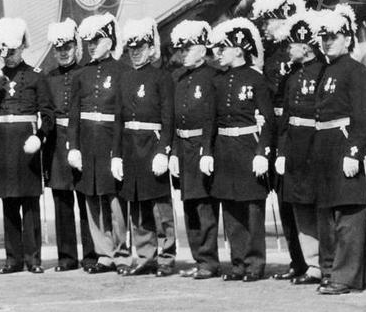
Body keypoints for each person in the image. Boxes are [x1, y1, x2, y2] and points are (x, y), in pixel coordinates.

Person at [0, 17, 54, 274]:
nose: (8, 57)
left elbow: (48, 114)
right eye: (4, 52)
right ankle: (13, 259)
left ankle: (33, 259)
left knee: (30, 204)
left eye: (12, 51)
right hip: (2, 145)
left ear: (22, 46)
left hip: (26, 144)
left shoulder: (36, 76)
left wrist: (40, 136)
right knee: (9, 203)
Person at [311, 5, 366, 295]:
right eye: (323, 37)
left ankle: (343, 277)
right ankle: (347, 273)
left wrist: (355, 152)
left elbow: (364, 116)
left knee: (349, 215)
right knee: (328, 215)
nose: (327, 42)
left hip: (344, 145)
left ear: (348, 39)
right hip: (325, 148)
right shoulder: (326, 71)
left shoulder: (357, 72)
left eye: (333, 37)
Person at [209, 17, 275, 282]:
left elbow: (268, 119)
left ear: (238, 49)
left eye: (223, 48)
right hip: (224, 149)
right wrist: (207, 152)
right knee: (231, 208)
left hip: (248, 147)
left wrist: (262, 152)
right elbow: (212, 120)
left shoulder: (256, 79)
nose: (218, 53)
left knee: (252, 209)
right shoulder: (219, 81)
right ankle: (238, 263)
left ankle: (255, 263)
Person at [251, 0, 308, 281]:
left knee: (299, 199)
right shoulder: (270, 53)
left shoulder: (302, 49)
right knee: (283, 199)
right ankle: (297, 261)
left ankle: (310, 261)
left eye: (268, 20)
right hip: (274, 130)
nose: (264, 26)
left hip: (296, 131)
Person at [113, 18, 176, 276]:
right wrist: (116, 155)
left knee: (160, 207)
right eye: (131, 47)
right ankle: (146, 256)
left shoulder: (162, 78)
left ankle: (167, 257)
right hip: (130, 145)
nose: (135, 51)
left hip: (152, 144)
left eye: (140, 46)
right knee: (137, 205)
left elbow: (168, 118)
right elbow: (118, 119)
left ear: (151, 48)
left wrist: (163, 150)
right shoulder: (125, 78)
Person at [69, 13, 129, 274]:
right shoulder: (81, 75)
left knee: (114, 200)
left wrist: (118, 152)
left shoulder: (122, 71)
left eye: (97, 40)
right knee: (92, 199)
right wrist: (73, 147)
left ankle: (122, 252)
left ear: (110, 40)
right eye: (89, 42)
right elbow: (74, 114)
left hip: (110, 141)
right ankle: (104, 253)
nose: (91, 46)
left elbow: (123, 116)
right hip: (87, 143)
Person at [276, 10, 330, 286]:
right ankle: (312, 264)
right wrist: (282, 151)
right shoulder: (292, 76)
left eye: (293, 44)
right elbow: (286, 117)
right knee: (300, 205)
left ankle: (326, 262)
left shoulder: (323, 72)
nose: (289, 49)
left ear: (306, 46)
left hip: (315, 145)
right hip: (295, 146)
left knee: (318, 205)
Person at [42, 18, 95, 272]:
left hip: (81, 140)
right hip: (56, 144)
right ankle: (66, 256)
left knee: (86, 200)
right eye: (59, 48)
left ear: (76, 47)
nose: (63, 52)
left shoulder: (86, 73)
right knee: (61, 201)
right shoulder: (48, 78)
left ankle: (92, 254)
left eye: (68, 47)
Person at [168, 20, 220, 279]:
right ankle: (198, 257)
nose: (183, 53)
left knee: (205, 206)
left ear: (202, 48)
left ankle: (209, 260)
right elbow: (172, 119)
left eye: (188, 48)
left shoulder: (213, 77)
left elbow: (213, 118)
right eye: (181, 49)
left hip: (202, 146)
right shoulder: (177, 78)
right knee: (188, 204)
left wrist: (208, 151)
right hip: (183, 146)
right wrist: (173, 152)